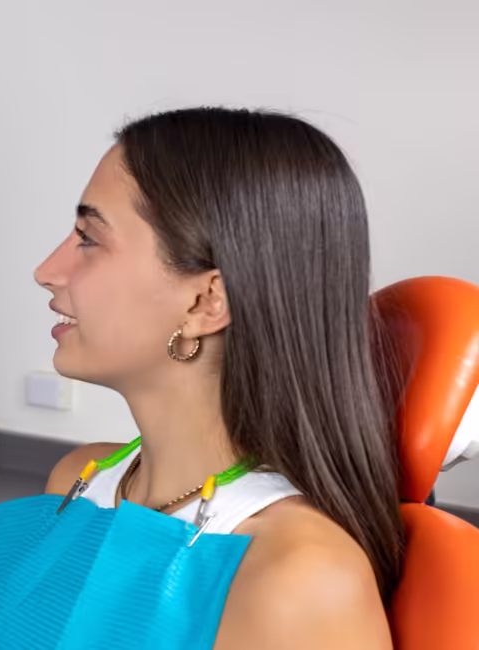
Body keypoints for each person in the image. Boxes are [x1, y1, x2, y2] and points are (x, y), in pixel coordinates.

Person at [30, 107, 401, 647]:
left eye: (89, 238)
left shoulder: (300, 576)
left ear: (207, 301)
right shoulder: (77, 484)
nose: (48, 271)